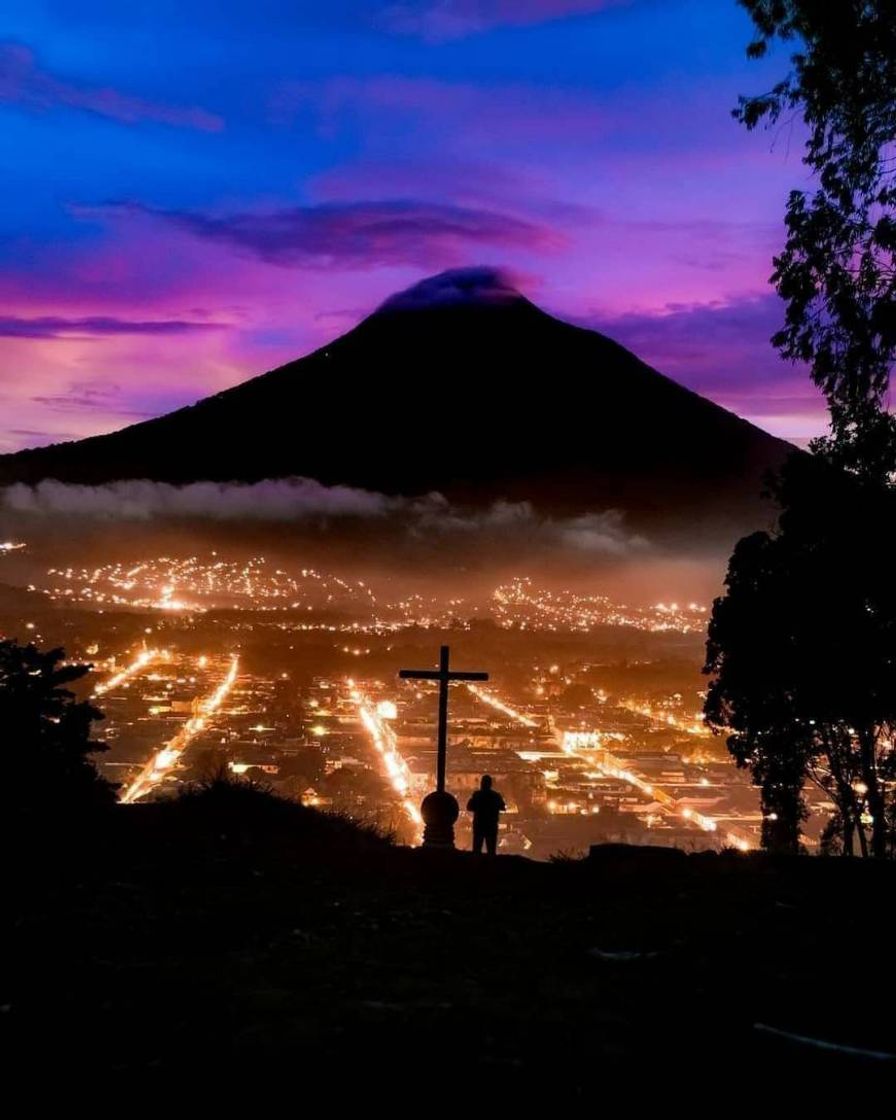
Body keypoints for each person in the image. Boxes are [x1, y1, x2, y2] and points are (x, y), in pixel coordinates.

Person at [466, 775, 506, 855]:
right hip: (491, 825)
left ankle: (476, 866)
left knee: (477, 849)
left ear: (482, 783)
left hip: (479, 825)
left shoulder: (477, 795)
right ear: (490, 784)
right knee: (491, 850)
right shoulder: (496, 796)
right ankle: (490, 866)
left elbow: (469, 807)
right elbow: (502, 807)